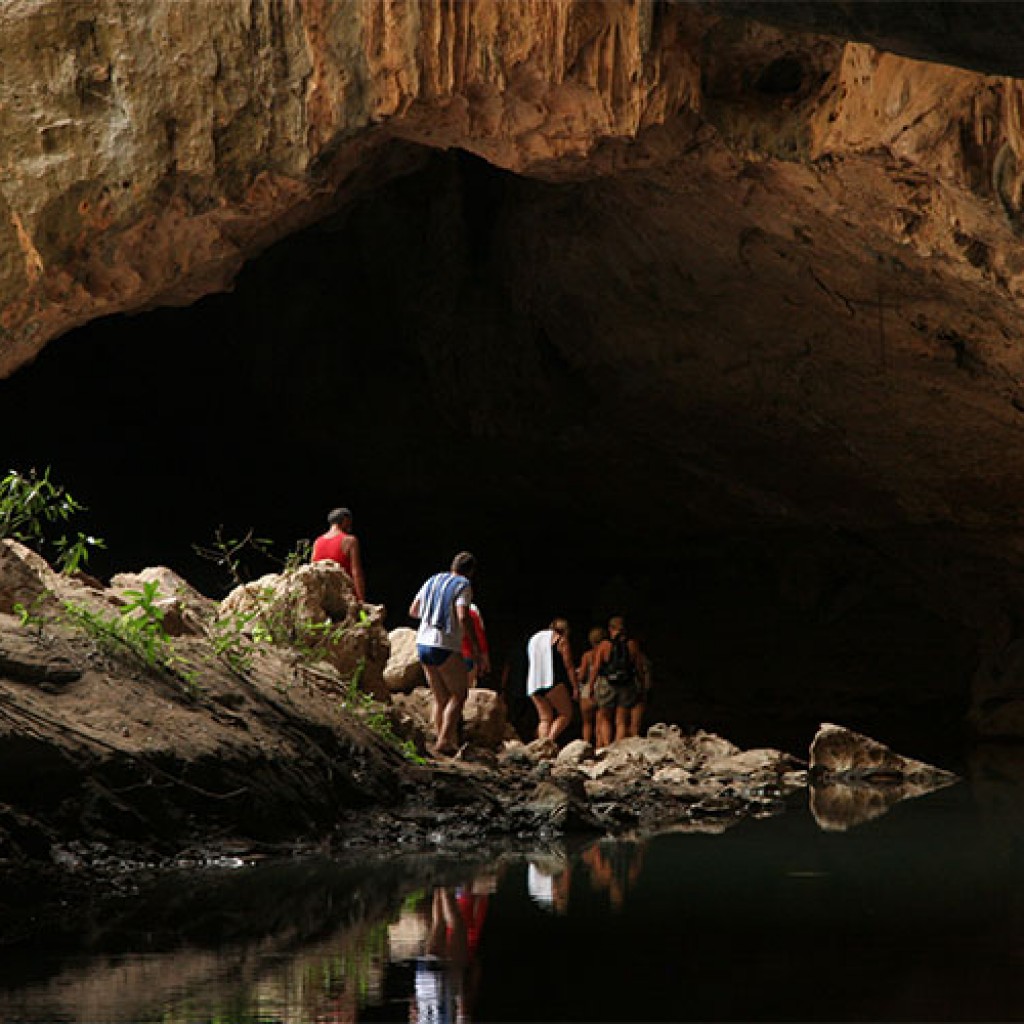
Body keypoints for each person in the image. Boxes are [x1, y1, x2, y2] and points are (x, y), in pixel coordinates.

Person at [409, 552, 482, 756]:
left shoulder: (433, 580)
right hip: (444, 644)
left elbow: (414, 611)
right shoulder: (463, 585)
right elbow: (463, 616)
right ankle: (444, 740)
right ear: (471, 572)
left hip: (422, 642)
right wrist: (474, 646)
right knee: (459, 694)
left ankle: (440, 738)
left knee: (441, 697)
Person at [593, 615, 643, 746]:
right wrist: (641, 685)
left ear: (610, 629)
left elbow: (597, 667)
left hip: (607, 684)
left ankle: (607, 745)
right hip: (626, 684)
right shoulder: (632, 644)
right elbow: (638, 667)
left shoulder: (604, 645)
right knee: (621, 721)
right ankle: (618, 749)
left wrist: (591, 686)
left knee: (605, 719)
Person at [526, 618, 577, 744]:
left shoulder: (536, 638)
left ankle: (541, 746)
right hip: (552, 681)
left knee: (544, 719)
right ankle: (550, 741)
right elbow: (568, 665)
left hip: (534, 683)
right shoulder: (561, 640)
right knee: (565, 714)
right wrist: (575, 686)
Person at [311, 507, 366, 602]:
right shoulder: (350, 540)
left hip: (323, 599)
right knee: (363, 616)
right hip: (345, 597)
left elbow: (312, 571)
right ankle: (363, 616)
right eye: (349, 522)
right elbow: (356, 573)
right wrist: (361, 600)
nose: (350, 526)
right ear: (345, 520)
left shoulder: (317, 542)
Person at [575, 626, 606, 747]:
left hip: (588, 691)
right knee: (601, 722)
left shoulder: (587, 656)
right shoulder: (607, 652)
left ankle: (585, 746)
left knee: (587, 723)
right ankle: (600, 747)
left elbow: (582, 676)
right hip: (603, 689)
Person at [460, 603, 490, 687]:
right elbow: (479, 635)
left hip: (447, 657)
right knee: (466, 692)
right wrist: (484, 658)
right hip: (468, 655)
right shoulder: (472, 612)